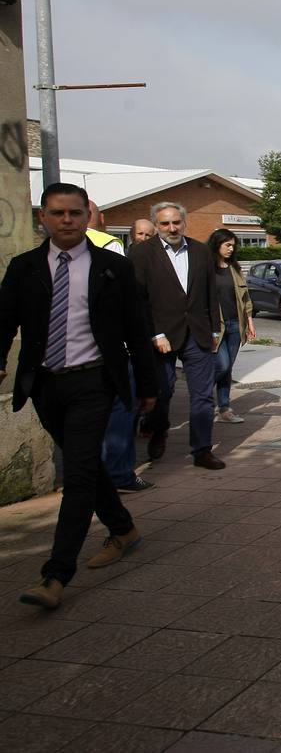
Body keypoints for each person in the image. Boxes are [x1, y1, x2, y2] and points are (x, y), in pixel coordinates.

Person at [0, 183, 158, 609]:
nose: (66, 220)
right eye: (57, 213)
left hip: (94, 382)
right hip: (45, 384)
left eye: (74, 213)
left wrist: (147, 387)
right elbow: (4, 320)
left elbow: (136, 330)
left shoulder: (112, 267)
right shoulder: (24, 267)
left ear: (87, 218)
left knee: (78, 474)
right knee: (87, 464)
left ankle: (55, 575)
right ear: (43, 218)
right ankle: (124, 529)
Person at [128, 202, 224, 469]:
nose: (172, 228)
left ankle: (202, 449)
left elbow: (210, 292)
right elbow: (139, 299)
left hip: (198, 333)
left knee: (203, 395)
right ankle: (159, 430)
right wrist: (154, 334)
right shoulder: (142, 253)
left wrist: (215, 328)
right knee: (162, 391)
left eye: (176, 222)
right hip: (161, 336)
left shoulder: (200, 251)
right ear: (156, 226)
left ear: (184, 223)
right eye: (165, 224)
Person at [83, 202, 153, 492]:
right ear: (101, 219)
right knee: (119, 413)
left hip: (75, 357)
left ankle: (91, 478)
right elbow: (127, 307)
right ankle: (118, 475)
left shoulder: (41, 257)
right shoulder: (110, 245)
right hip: (111, 351)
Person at [208, 228, 256, 424]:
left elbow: (245, 300)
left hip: (236, 324)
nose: (230, 249)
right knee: (222, 365)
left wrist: (250, 323)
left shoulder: (234, 268)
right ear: (217, 244)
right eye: (227, 245)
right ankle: (203, 396)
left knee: (228, 369)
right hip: (216, 327)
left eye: (233, 246)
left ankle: (224, 409)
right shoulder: (206, 268)